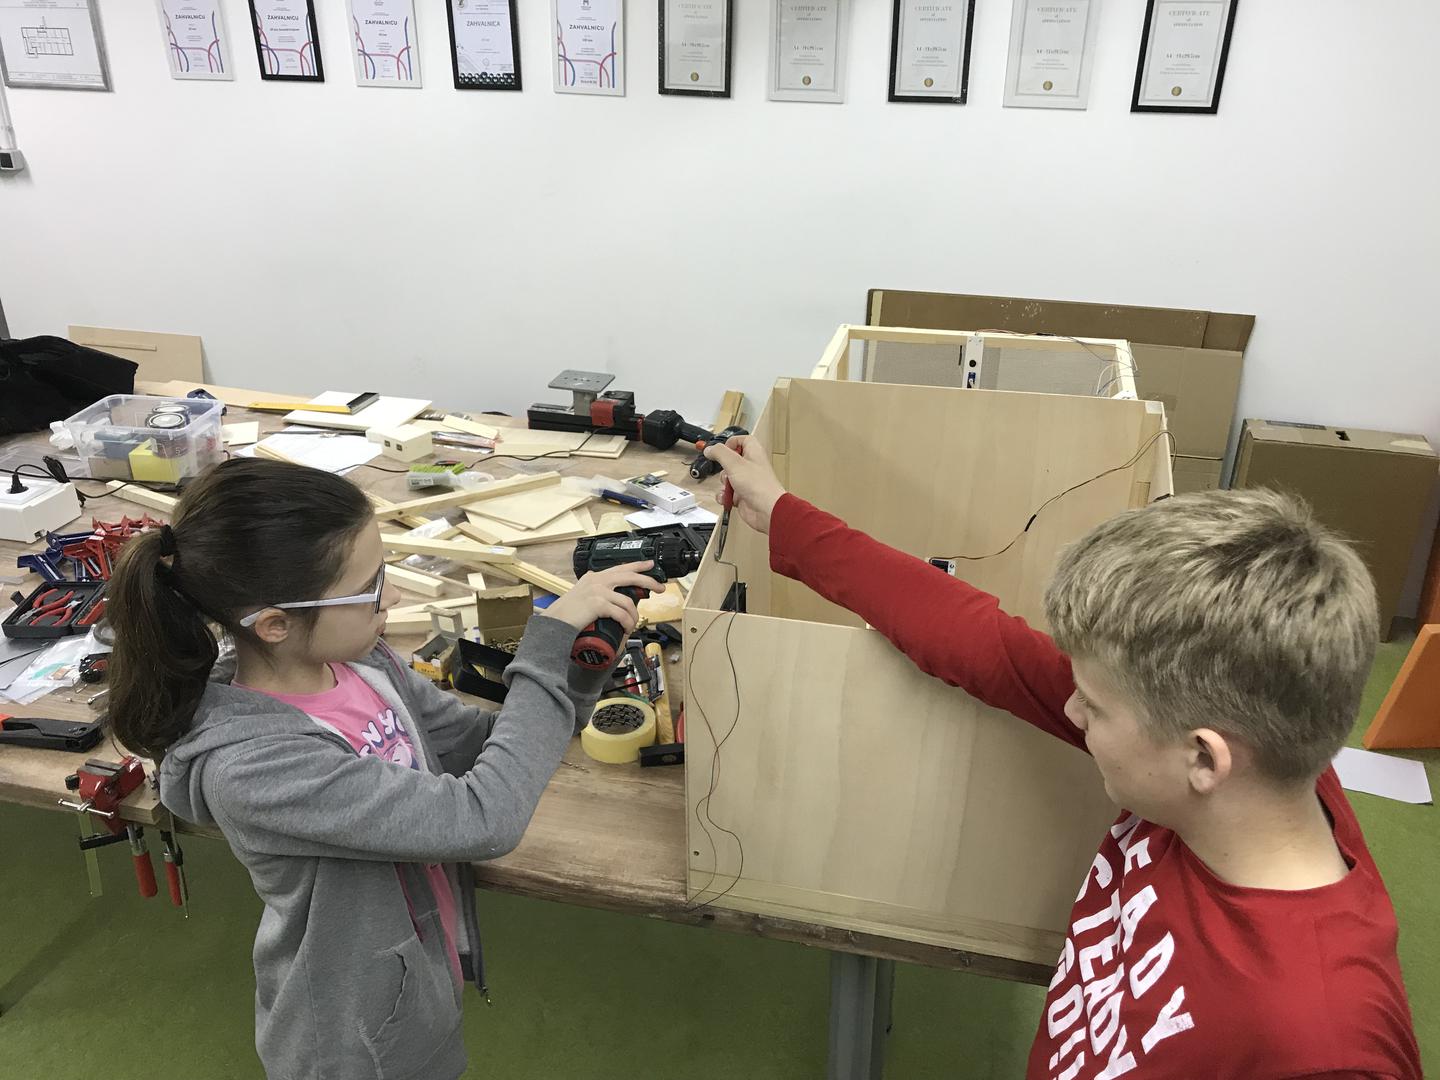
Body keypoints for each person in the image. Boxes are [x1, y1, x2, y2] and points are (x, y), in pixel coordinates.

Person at [703, 436, 1420, 1080]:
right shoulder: (1253, 758)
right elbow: (981, 642)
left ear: (1205, 758)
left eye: (1094, 707)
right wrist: (784, 515)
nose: (1070, 712)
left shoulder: (1324, 1049)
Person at [104, 457, 660, 1080]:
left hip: (414, 975)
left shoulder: (363, 665)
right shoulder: (255, 768)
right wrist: (544, 647)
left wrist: (575, 670)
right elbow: (484, 818)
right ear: (275, 624)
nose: (391, 596)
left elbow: (482, 745)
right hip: (353, 1040)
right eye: (371, 588)